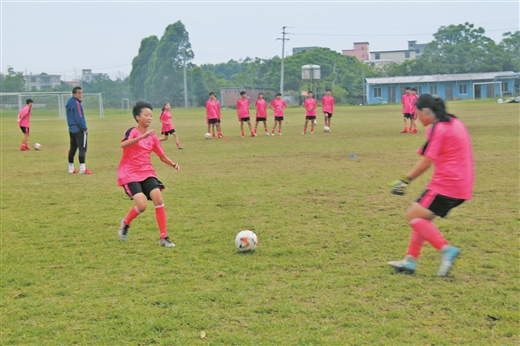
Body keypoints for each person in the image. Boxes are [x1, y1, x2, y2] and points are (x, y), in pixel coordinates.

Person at [388, 94, 474, 276]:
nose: (417, 118)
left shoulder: (439, 128)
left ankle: (446, 249)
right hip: (462, 185)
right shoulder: (453, 122)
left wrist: (405, 179)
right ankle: (409, 262)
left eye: (418, 113)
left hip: (447, 185)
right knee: (421, 219)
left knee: (413, 216)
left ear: (426, 111)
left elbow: (426, 162)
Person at [117, 100, 180, 248]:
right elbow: (123, 144)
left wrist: (173, 164)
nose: (150, 118)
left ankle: (164, 237)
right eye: (146, 115)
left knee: (158, 198)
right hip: (130, 174)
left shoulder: (152, 136)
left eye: (151, 115)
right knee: (142, 206)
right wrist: (141, 137)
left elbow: (161, 156)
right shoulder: (131, 131)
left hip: (147, 172)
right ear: (138, 117)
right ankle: (125, 223)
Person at [66, 87, 92, 174]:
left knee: (72, 148)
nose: (81, 95)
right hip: (78, 129)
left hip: (71, 129)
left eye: (81, 93)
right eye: (79, 93)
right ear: (74, 94)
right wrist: (84, 128)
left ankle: (70, 168)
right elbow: (79, 117)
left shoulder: (69, 102)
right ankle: (82, 169)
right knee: (82, 148)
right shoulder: (76, 103)